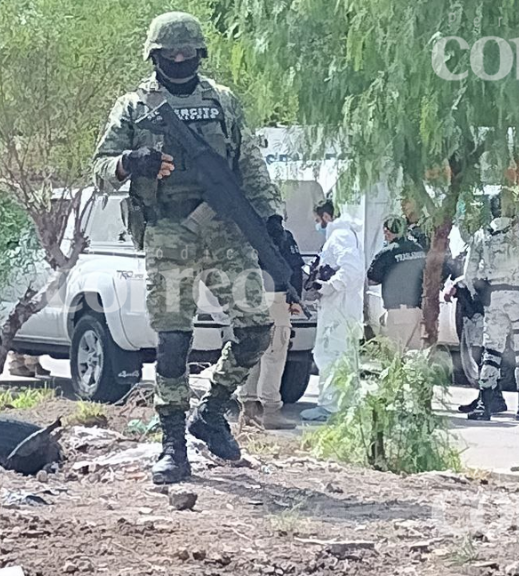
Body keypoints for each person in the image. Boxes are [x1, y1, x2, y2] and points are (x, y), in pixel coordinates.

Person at [92, 12, 283, 485]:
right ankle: (173, 445)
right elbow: (98, 170)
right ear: (154, 56)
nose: (179, 60)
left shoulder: (221, 102)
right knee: (173, 341)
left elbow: (251, 165)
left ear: (200, 53)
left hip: (224, 229)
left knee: (257, 328)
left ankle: (213, 411)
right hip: (167, 231)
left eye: (187, 52)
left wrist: (273, 220)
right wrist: (130, 163)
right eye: (169, 54)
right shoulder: (134, 107)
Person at [462, 190, 519, 422]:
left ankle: (484, 404)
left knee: (492, 351)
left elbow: (469, 274)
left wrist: (480, 294)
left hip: (494, 300)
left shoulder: (481, 235)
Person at [301, 199, 365, 422]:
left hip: (339, 308)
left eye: (318, 220)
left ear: (326, 217)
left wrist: (328, 286)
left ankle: (329, 407)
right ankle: (347, 406)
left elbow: (352, 269)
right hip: (342, 307)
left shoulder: (339, 237)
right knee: (344, 358)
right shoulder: (347, 236)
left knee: (329, 356)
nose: (318, 225)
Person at [240, 215, 304, 430]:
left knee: (253, 353)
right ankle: (270, 411)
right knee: (274, 356)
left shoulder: (244, 233)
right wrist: (295, 300)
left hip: (249, 300)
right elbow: (295, 270)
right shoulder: (282, 235)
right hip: (275, 299)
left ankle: (248, 408)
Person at [366, 215, 426, 352]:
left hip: (398, 312)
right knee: (414, 356)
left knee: (395, 356)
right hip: (418, 310)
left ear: (387, 231)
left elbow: (372, 279)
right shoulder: (418, 250)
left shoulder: (387, 253)